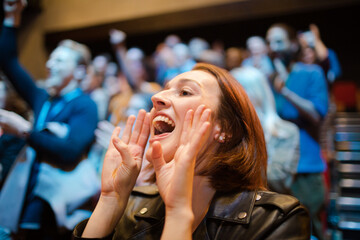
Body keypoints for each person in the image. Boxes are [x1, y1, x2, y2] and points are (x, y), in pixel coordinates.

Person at [73, 63, 310, 239]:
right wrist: (110, 200)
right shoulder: (133, 205)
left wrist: (178, 213)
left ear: (224, 128)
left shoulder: (275, 220)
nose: (157, 97)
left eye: (185, 92)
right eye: (164, 89)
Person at [0, 0, 99, 238]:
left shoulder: (85, 105)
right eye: (50, 59)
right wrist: (11, 17)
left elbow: (69, 151)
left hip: (56, 206)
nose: (48, 65)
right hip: (27, 194)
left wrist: (26, 131)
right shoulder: (43, 98)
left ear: (79, 71)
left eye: (59, 61)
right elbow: (8, 60)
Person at [266, 23, 329, 240]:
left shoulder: (312, 73)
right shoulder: (270, 76)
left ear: (293, 44)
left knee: (311, 231)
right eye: (270, 42)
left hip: (305, 168)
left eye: (279, 41)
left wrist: (285, 91)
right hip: (278, 168)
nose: (273, 47)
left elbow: (316, 114)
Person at [231, 66, 300, 194]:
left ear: (255, 93)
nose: (230, 99)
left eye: (236, 92)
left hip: (266, 208)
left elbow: (278, 178)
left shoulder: (285, 132)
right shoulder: (226, 131)